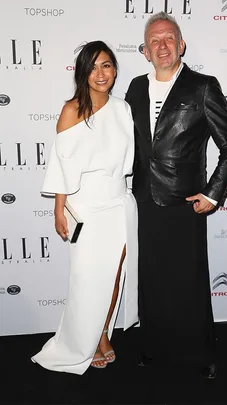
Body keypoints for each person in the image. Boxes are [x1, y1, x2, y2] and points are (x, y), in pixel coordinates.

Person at [125, 12, 227, 378]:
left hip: (185, 202)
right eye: (155, 41)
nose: (162, 46)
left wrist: (213, 193)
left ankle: (198, 353)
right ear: (145, 50)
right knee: (152, 278)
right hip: (144, 198)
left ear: (181, 45)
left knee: (188, 280)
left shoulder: (202, 86)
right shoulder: (134, 87)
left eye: (169, 38)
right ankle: (153, 346)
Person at [31, 41, 138, 375]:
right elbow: (61, 165)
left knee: (115, 277)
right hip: (87, 207)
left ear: (115, 69)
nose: (100, 73)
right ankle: (84, 342)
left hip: (119, 203)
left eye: (106, 65)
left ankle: (102, 335)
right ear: (82, 72)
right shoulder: (72, 109)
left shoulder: (122, 109)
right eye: (92, 67)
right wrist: (58, 209)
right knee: (87, 280)